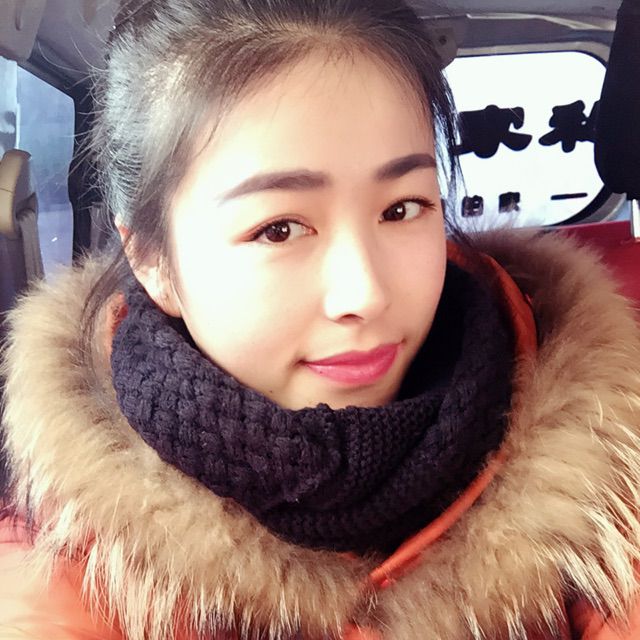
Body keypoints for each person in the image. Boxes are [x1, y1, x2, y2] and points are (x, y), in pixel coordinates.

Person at [1, 0, 639, 638]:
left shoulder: (605, 471)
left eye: (401, 208)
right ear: (151, 259)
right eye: (279, 228)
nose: (365, 294)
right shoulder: (56, 569)